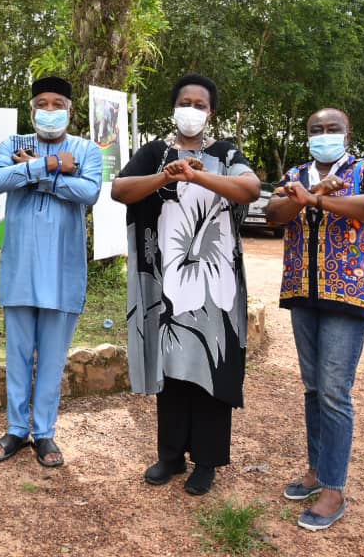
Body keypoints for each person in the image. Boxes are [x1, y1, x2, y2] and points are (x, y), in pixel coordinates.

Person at [111, 74, 260, 496]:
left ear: (210, 112)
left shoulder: (226, 153)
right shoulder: (155, 152)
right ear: (174, 108)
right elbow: (120, 190)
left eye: (200, 103)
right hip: (165, 283)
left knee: (211, 367)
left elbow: (249, 188)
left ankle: (206, 462)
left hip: (215, 287)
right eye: (185, 102)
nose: (191, 109)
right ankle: (171, 455)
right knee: (172, 369)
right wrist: (165, 178)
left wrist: (197, 178)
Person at [265, 107, 364, 531]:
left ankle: (334, 488)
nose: (324, 135)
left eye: (331, 129)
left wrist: (318, 199)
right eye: (316, 130)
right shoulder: (297, 173)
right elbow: (273, 214)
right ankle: (317, 470)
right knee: (314, 387)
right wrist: (307, 191)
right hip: (303, 291)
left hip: (348, 293)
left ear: (347, 133)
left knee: (335, 390)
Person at [0, 77, 102, 468]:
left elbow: (89, 193)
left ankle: (45, 433)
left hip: (63, 271)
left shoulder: (87, 150)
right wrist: (52, 165)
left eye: (57, 104)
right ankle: (17, 430)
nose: (49, 111)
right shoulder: (12, 145)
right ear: (31, 108)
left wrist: (36, 175)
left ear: (70, 110)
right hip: (20, 268)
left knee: (52, 358)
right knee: (18, 354)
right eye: (42, 103)